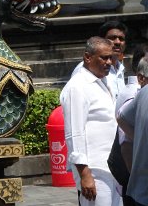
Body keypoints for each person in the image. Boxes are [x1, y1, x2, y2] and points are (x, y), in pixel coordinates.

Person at [61, 36, 121, 206]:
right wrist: (85, 174)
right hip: (94, 170)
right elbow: (74, 133)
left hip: (113, 167)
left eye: (111, 57)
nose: (109, 62)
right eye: (104, 57)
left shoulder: (106, 81)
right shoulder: (78, 86)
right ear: (88, 57)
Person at [109, 43, 148, 206]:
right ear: (140, 77)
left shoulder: (142, 93)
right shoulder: (138, 94)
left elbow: (122, 118)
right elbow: (125, 143)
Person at [72, 20, 127, 100]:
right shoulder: (86, 68)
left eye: (121, 39)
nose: (117, 42)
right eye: (112, 38)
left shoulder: (120, 68)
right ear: (102, 41)